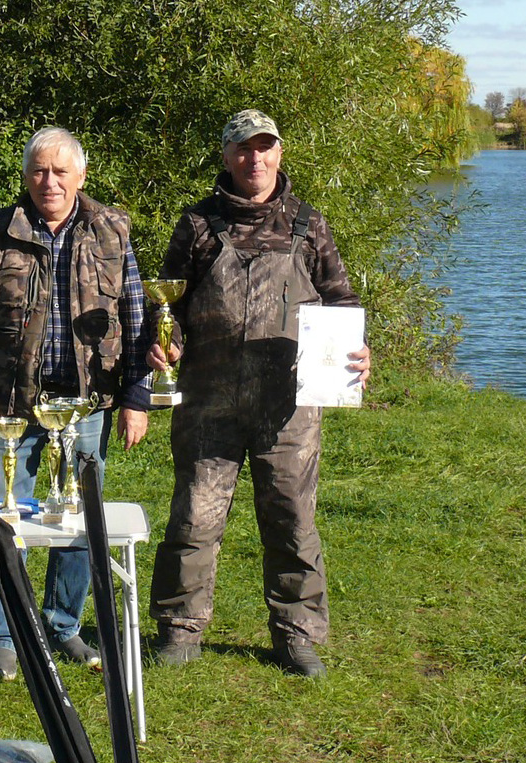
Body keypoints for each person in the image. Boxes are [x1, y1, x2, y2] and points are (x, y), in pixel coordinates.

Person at [146, 109, 370, 677]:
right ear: (226, 157)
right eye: (244, 149)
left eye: (265, 148)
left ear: (279, 154)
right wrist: (163, 344)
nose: (255, 159)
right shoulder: (198, 224)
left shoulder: (307, 224)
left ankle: (297, 633)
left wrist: (358, 354)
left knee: (293, 519)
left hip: (289, 406)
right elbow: (164, 307)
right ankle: (179, 628)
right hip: (207, 402)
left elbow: (341, 301)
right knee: (194, 518)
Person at [0, 127, 150, 681]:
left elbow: (136, 320)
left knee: (78, 522)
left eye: (60, 172)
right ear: (26, 176)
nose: (49, 182)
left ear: (81, 176)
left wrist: (136, 396)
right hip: (9, 406)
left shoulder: (112, 231)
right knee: (2, 520)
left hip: (87, 407)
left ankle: (63, 625)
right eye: (39, 171)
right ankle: (6, 636)